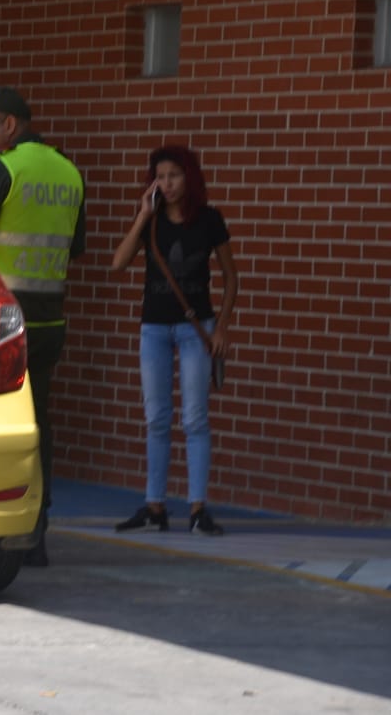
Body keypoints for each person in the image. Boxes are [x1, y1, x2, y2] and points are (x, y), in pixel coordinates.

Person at [0, 86, 85, 567]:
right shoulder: (69, 171)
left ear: (9, 126)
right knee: (38, 425)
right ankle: (36, 530)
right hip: (50, 319)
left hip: (1, 322)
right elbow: (74, 248)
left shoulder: (1, 170)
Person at [110, 145, 238, 537]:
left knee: (195, 418)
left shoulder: (209, 220)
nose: (167, 184)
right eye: (160, 177)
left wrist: (222, 328)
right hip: (154, 329)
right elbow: (118, 263)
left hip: (195, 326)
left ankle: (198, 508)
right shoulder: (151, 220)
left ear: (190, 178)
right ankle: (155, 505)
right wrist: (143, 214)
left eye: (174, 176)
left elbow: (231, 277)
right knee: (157, 419)